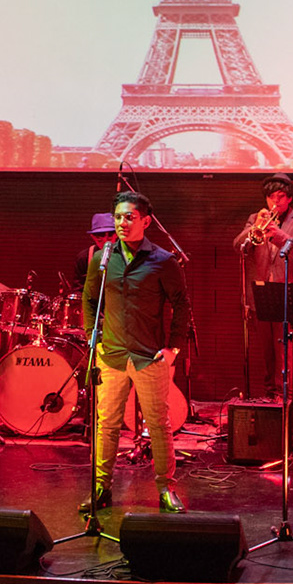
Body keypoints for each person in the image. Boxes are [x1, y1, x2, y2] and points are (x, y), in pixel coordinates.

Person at [81, 190, 191, 514]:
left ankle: (166, 488)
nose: (122, 223)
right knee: (107, 424)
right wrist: (93, 339)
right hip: (112, 354)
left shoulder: (163, 260)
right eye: (118, 217)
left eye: (129, 217)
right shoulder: (103, 259)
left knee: (158, 424)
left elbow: (182, 305)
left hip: (149, 356)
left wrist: (173, 348)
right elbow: (89, 300)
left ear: (146, 221)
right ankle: (101, 487)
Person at [235, 173, 293, 397]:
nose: (275, 202)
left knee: (285, 351)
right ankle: (269, 396)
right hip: (260, 294)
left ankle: (285, 397)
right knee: (266, 351)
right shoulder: (255, 218)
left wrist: (279, 235)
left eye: (280, 197)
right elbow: (238, 247)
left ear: (289, 198)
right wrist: (255, 228)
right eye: (271, 197)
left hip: (288, 294)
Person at [75, 211, 116, 288]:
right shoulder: (84, 257)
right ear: (93, 236)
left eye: (110, 234)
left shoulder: (126, 255)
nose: (106, 240)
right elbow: (79, 288)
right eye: (100, 235)